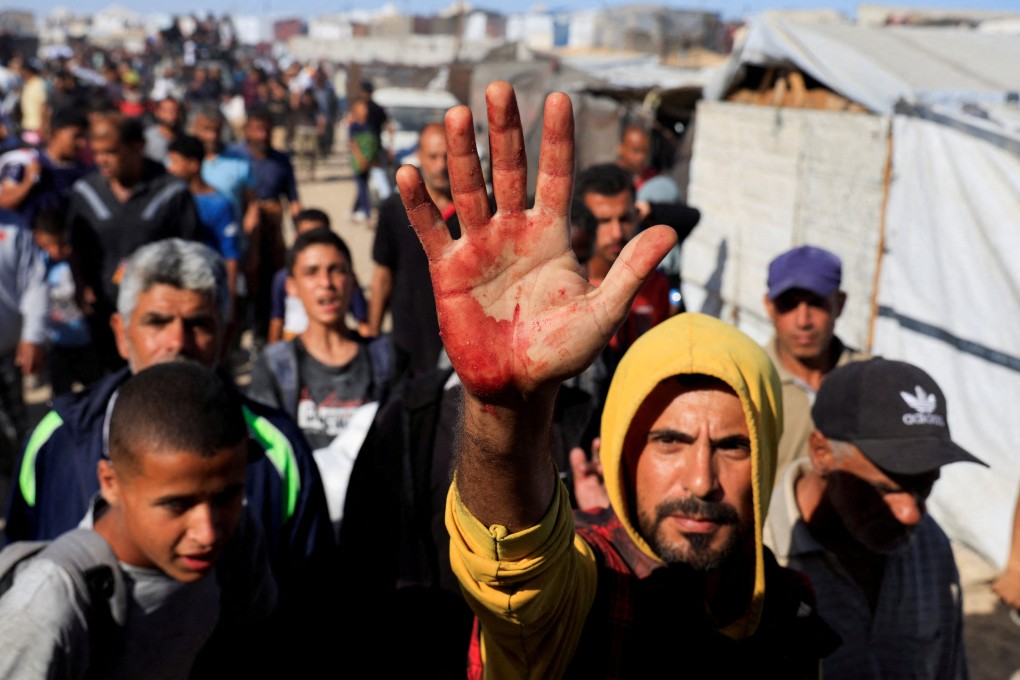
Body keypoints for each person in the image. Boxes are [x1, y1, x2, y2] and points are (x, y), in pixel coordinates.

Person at [395, 80, 838, 678]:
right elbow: (513, 571)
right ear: (618, 453)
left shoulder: (788, 608)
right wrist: (504, 409)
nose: (702, 481)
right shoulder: (588, 589)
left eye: (733, 445)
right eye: (670, 442)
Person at [5, 238, 336, 675]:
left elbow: (310, 601)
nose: (177, 342)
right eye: (157, 322)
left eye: (198, 323)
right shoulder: (57, 437)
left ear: (225, 336)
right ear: (121, 334)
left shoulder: (278, 449)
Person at [0, 361, 277, 677]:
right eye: (176, 505)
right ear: (110, 483)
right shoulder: (48, 605)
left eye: (226, 496)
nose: (208, 533)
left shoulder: (239, 535)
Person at [763, 358, 985, 679]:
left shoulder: (931, 546)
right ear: (821, 453)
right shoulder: (757, 553)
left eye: (925, 485)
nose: (910, 514)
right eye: (884, 488)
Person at [67, 112, 201, 374]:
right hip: (104, 312)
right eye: (97, 153)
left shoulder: (171, 191)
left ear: (137, 146)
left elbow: (190, 252)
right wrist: (80, 285)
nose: (102, 160)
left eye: (111, 152)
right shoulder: (85, 192)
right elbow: (76, 247)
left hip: (156, 314)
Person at [762, 245, 868, 486]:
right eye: (788, 305)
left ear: (839, 304)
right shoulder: (749, 380)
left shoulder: (869, 380)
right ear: (769, 306)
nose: (803, 321)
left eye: (817, 303)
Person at [366, 121, 460, 381]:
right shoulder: (394, 210)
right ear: (419, 156)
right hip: (408, 336)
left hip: (458, 341)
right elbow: (383, 275)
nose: (441, 165)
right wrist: (373, 331)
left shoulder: (472, 215)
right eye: (433, 156)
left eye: (447, 157)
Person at [267, 208, 368, 345]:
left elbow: (362, 321)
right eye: (311, 272)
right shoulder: (282, 279)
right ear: (292, 286)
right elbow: (277, 319)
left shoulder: (343, 280)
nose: (325, 282)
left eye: (320, 235)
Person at [0, 209, 46, 510]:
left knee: (14, 433)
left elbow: (33, 283)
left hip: (5, 355)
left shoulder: (15, 230)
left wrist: (33, 335)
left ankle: (21, 504)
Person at [166, 134, 241, 313]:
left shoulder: (218, 203)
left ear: (193, 165)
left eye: (175, 162)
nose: (170, 168)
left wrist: (229, 300)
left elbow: (230, 255)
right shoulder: (168, 201)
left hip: (207, 285)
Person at [32, 208, 100, 396]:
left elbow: (85, 290)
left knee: (93, 394)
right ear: (38, 238)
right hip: (55, 344)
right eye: (50, 244)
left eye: (60, 243)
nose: (56, 250)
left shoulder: (75, 258)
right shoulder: (36, 265)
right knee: (61, 398)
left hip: (83, 340)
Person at [0, 107, 91, 227]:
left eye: (85, 137)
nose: (82, 143)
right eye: (76, 136)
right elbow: (4, 203)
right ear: (55, 133)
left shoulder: (83, 172)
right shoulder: (25, 162)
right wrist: (29, 182)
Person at [143, 96, 184, 164]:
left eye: (176, 110)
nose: (172, 115)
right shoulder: (147, 138)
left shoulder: (185, 138)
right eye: (167, 111)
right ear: (157, 113)